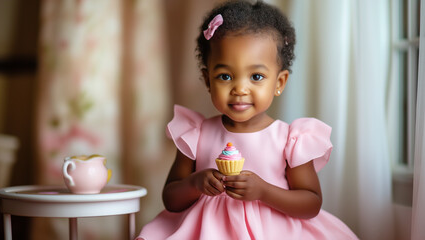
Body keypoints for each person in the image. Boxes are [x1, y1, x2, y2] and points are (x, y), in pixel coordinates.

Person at [137, 1, 358, 239]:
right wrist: (195, 184)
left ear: (279, 83)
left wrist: (264, 191)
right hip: (209, 232)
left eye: (256, 76)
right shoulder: (196, 133)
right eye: (225, 76)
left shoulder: (290, 140)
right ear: (208, 80)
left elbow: (311, 204)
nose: (240, 89)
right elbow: (171, 199)